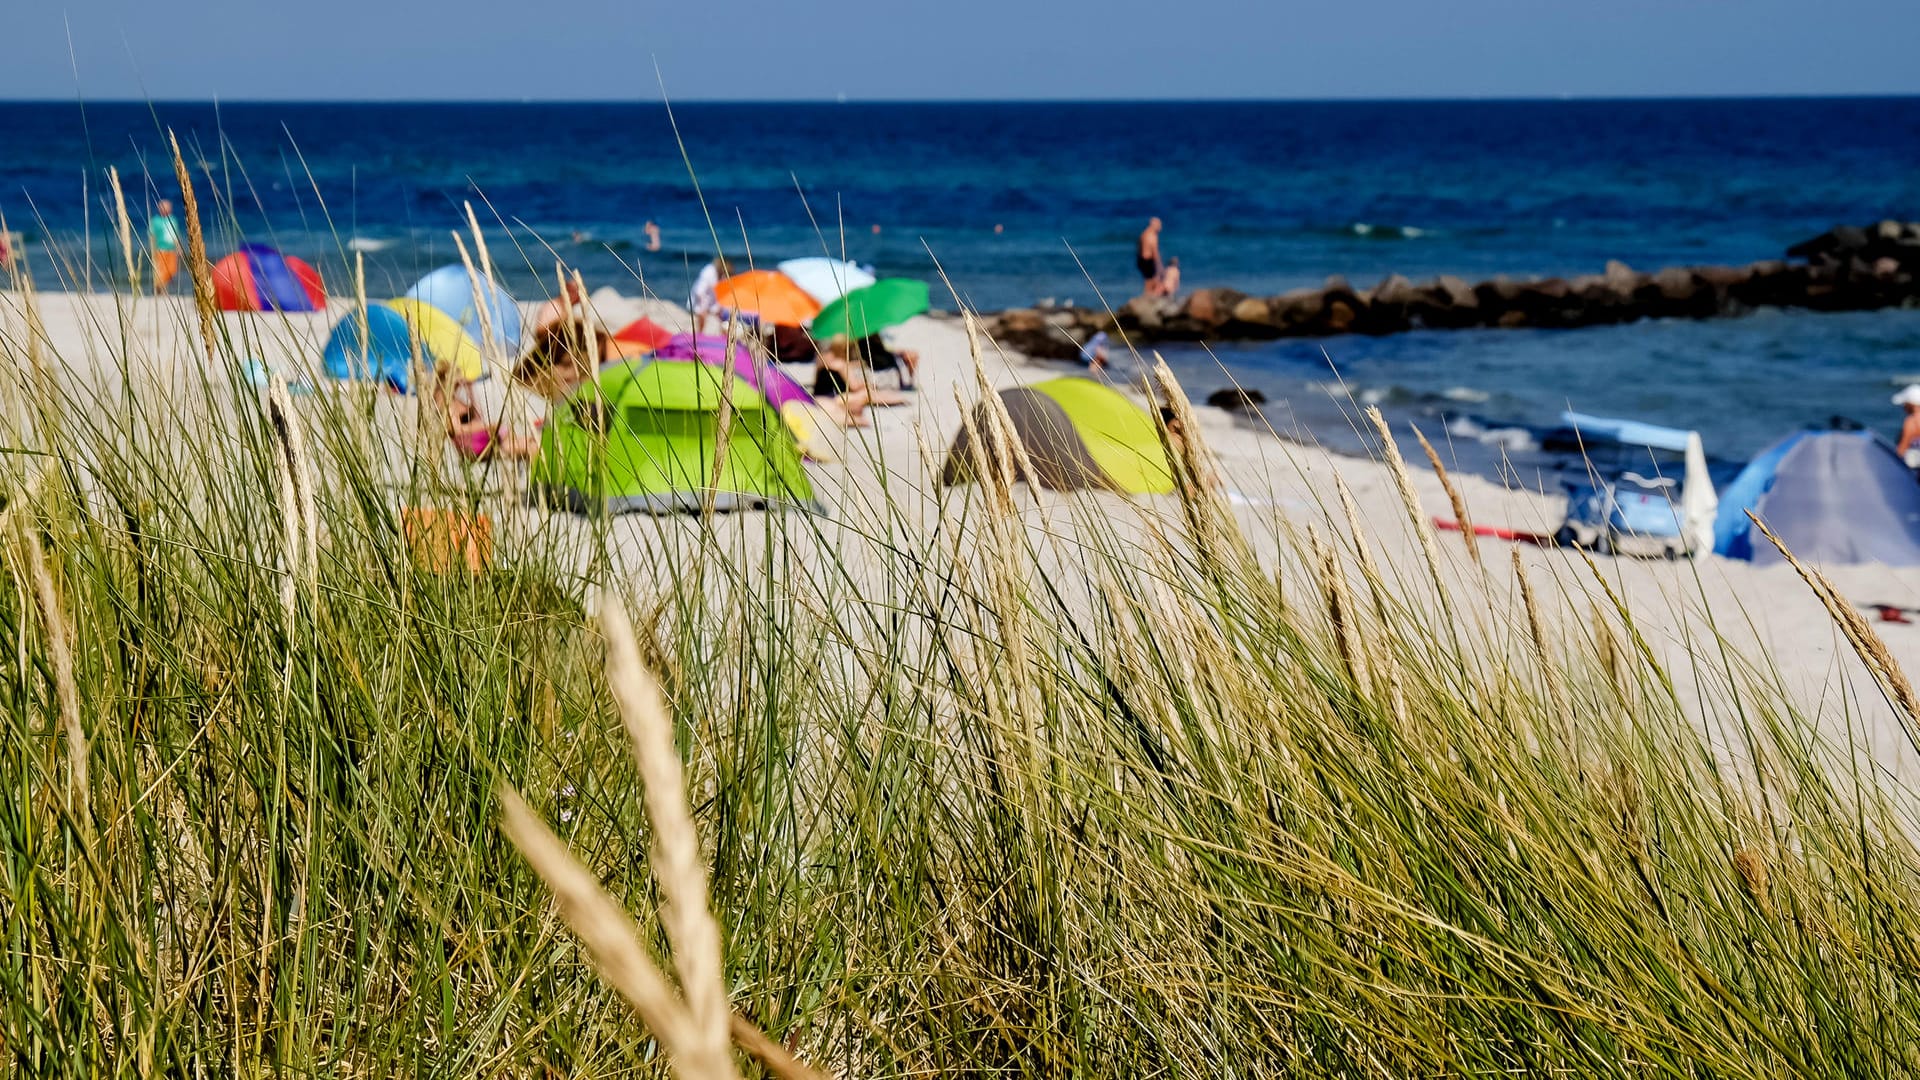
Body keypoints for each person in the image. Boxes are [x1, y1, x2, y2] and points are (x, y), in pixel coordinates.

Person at [434, 365, 538, 460]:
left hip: (483, 437)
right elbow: (459, 429)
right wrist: (487, 426)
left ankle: (535, 446)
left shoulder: (453, 400)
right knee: (508, 445)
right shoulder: (446, 405)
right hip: (475, 444)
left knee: (513, 442)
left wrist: (469, 388)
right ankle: (537, 448)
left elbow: (477, 415)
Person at [689, 255, 732, 333]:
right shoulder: (709, 272)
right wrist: (703, 308)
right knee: (703, 320)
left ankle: (722, 336)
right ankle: (700, 335)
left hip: (710, 303)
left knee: (725, 316)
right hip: (699, 303)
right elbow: (699, 291)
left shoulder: (720, 275)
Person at [150, 200, 182, 295]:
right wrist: (153, 249)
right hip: (161, 249)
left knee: (172, 270)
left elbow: (176, 235)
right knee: (161, 270)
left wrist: (179, 248)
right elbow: (152, 236)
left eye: (168, 207)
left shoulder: (173, 220)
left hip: (171, 249)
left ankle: (159, 286)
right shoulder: (155, 221)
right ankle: (161, 289)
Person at [1895, 385, 1920, 471]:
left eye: (1905, 403)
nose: (1903, 406)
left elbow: (1902, 448)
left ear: (1911, 404)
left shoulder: (1911, 421)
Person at [1136, 217, 1163, 293]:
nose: (1161, 227)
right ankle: (1149, 297)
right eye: (1159, 225)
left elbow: (1139, 247)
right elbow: (1155, 252)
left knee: (1148, 280)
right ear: (1155, 225)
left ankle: (1148, 296)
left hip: (1141, 259)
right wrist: (1159, 266)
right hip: (1148, 260)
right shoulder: (1152, 236)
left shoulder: (1144, 233)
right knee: (1152, 280)